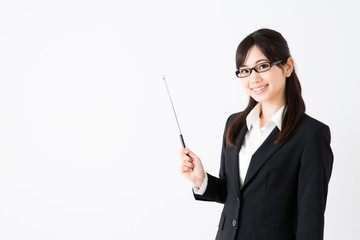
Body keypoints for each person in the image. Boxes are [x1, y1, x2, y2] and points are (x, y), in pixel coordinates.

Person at [179, 28, 333, 240]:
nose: (254, 78)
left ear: (287, 67)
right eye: (245, 70)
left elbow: (310, 221)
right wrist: (201, 180)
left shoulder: (311, 135)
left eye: (262, 66)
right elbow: (232, 193)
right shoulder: (234, 124)